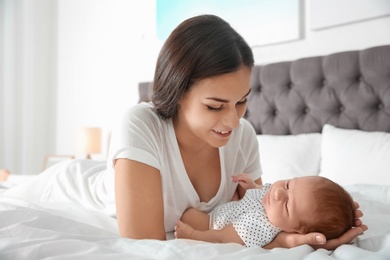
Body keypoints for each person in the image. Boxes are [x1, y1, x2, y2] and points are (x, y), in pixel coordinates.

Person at [110, 14, 366, 248]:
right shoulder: (141, 124)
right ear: (177, 93)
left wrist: (302, 234)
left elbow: (259, 219)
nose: (233, 122)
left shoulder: (243, 136)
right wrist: (280, 243)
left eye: (241, 102)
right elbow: (142, 247)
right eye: (215, 106)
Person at [174, 174, 355, 248]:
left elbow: (222, 237)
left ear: (296, 230)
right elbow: (259, 195)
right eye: (288, 184)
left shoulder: (262, 227)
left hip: (211, 223)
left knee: (188, 215)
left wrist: (193, 235)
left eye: (286, 205)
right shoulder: (272, 200)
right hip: (228, 209)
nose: (277, 193)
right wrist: (251, 187)